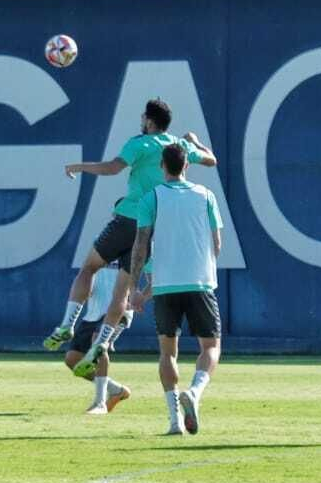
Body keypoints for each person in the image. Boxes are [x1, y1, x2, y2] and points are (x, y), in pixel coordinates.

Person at [48, 98, 217, 380]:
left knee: (89, 267)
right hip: (153, 229)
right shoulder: (179, 146)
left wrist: (79, 167)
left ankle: (67, 324)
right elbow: (211, 160)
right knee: (122, 292)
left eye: (144, 117)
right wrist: (195, 142)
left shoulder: (140, 143)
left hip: (129, 219)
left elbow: (113, 167)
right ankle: (101, 342)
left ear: (150, 121)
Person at [129, 143, 223, 436]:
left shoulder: (150, 198)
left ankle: (174, 421)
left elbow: (140, 245)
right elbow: (216, 244)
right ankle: (194, 391)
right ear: (187, 166)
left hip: (166, 286)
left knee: (168, 352)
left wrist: (135, 287)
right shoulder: (206, 195)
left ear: (162, 166)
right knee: (211, 347)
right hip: (200, 282)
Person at [61, 264, 139, 415]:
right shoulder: (100, 242)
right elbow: (89, 272)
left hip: (119, 310)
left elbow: (145, 271)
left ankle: (100, 403)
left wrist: (137, 295)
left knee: (98, 342)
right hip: (94, 310)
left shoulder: (136, 244)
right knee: (72, 360)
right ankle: (116, 390)